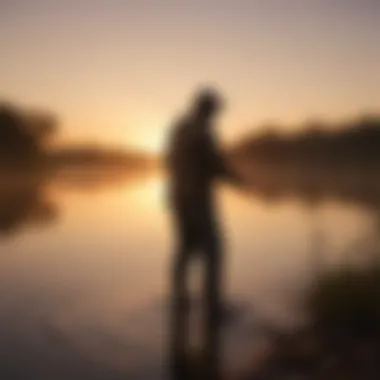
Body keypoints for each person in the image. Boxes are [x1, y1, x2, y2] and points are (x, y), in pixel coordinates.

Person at [166, 88, 240, 379]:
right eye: (216, 110)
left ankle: (180, 301)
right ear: (208, 109)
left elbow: (171, 162)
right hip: (197, 201)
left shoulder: (179, 127)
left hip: (178, 200)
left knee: (184, 251)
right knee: (215, 251)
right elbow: (216, 166)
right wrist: (240, 180)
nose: (217, 115)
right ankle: (212, 308)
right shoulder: (202, 132)